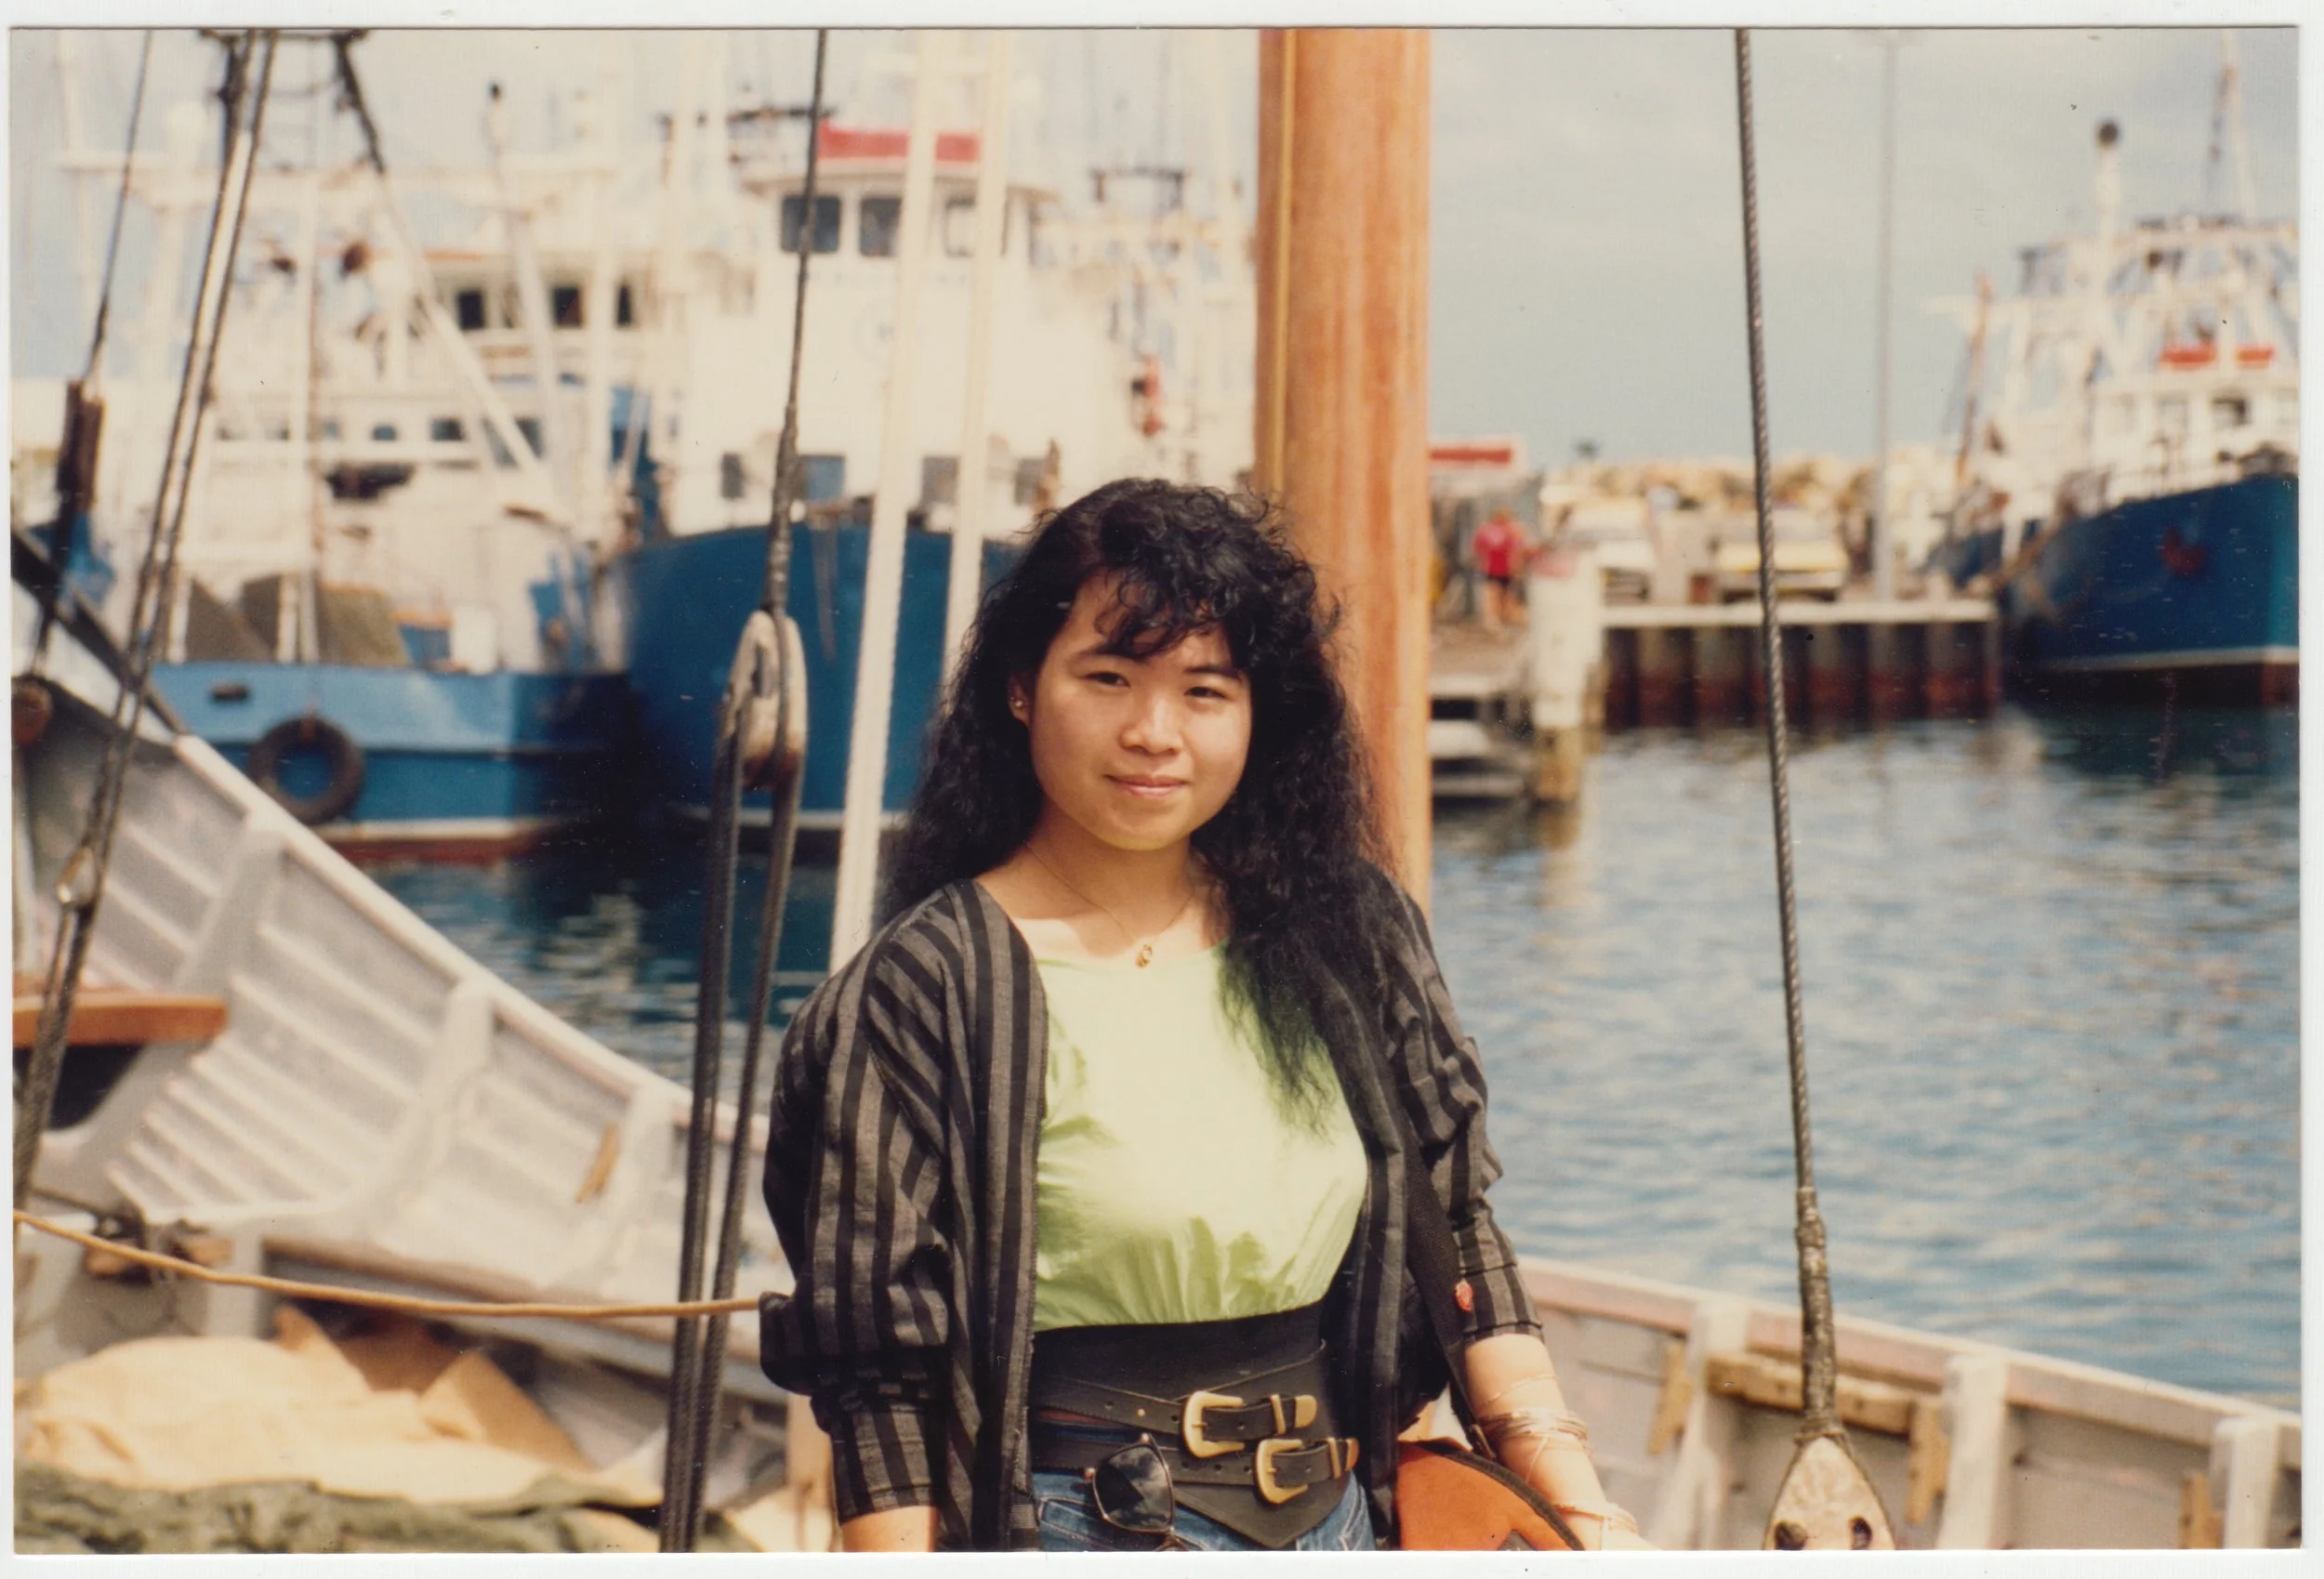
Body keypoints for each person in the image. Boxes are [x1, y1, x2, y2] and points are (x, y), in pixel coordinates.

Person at [759, 479, 1644, 1553]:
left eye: (1205, 691)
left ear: (1259, 713)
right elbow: (880, 1378)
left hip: (1345, 1521)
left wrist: (1580, 1508)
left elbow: (1454, 1226)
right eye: (1109, 676)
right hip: (1077, 1529)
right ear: (1022, 691)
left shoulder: (1345, 932)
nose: (1153, 732)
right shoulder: (925, 988)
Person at [1472, 507, 1528, 627]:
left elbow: (1478, 549)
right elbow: (1518, 550)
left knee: (1497, 594)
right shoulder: (1512, 530)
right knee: (1500, 594)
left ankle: (1497, 618)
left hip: (1498, 568)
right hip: (1501, 568)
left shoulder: (1487, 530)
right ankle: (1497, 618)